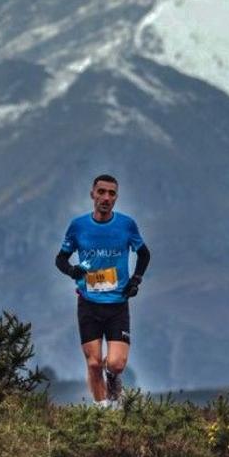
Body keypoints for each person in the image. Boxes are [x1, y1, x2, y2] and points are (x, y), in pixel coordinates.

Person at [55, 173, 151, 407]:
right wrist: (72, 271)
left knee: (116, 363)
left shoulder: (126, 225)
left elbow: (144, 254)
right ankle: (104, 412)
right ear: (92, 194)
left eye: (111, 193)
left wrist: (135, 280)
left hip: (117, 304)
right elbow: (60, 259)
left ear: (116, 198)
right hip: (88, 303)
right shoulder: (78, 226)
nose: (106, 198)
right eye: (101, 192)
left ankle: (113, 378)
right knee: (94, 363)